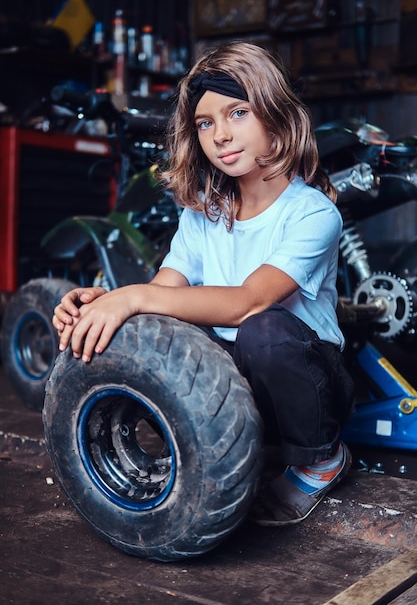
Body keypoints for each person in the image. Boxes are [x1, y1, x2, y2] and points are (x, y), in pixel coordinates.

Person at [52, 41, 354, 526]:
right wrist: (105, 303)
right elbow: (163, 294)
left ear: (277, 118)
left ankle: (320, 460)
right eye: (205, 122)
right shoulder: (202, 217)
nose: (220, 135)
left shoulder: (313, 213)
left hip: (307, 382)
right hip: (239, 384)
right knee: (149, 340)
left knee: (263, 331)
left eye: (237, 113)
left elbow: (248, 304)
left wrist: (134, 297)